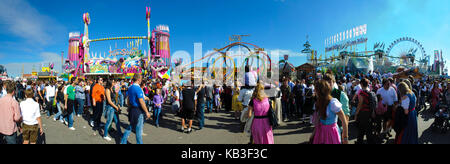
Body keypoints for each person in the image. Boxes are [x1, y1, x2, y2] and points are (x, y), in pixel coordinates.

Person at [310, 80, 348, 144]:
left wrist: (345, 137)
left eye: (315, 90)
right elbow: (318, 121)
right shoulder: (318, 102)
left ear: (321, 91)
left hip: (331, 133)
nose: (314, 91)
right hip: (320, 131)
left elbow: (344, 120)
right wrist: (313, 134)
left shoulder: (333, 103)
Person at [121, 74, 151, 144]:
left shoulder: (130, 87)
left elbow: (128, 98)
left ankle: (123, 142)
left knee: (130, 126)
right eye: (141, 79)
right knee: (138, 130)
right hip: (138, 110)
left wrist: (128, 107)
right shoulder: (138, 88)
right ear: (138, 79)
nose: (141, 80)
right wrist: (147, 112)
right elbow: (141, 102)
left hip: (132, 109)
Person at [354, 78, 375, 144]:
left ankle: (359, 142)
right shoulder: (370, 91)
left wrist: (356, 114)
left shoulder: (362, 93)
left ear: (361, 84)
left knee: (361, 129)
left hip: (363, 113)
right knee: (369, 129)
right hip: (369, 112)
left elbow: (360, 104)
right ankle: (370, 141)